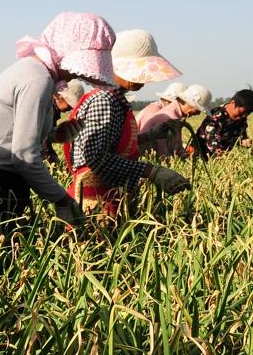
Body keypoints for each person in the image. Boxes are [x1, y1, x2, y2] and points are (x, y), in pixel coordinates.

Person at [0, 11, 117, 231]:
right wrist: (62, 199)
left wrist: (53, 135)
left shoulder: (32, 72)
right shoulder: (37, 79)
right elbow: (24, 157)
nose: (77, 76)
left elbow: (9, 133)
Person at [63, 29, 190, 218]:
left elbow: (113, 147)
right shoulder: (104, 100)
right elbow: (96, 158)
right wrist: (152, 171)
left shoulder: (115, 100)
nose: (143, 80)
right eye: (138, 71)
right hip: (96, 204)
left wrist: (151, 135)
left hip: (110, 197)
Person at [138, 83, 210, 158]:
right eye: (197, 109)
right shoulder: (169, 118)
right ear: (186, 102)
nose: (198, 113)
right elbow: (164, 154)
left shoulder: (173, 115)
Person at [188, 89, 253, 159]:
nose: (243, 116)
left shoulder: (241, 119)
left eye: (247, 114)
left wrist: (245, 142)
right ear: (232, 102)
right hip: (202, 154)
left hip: (223, 155)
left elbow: (241, 137)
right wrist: (223, 157)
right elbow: (212, 139)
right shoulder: (217, 115)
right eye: (241, 113)